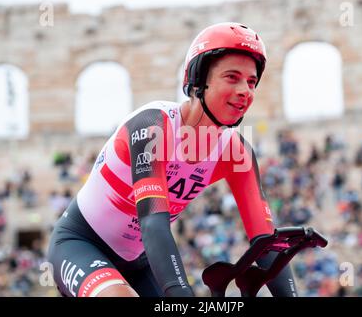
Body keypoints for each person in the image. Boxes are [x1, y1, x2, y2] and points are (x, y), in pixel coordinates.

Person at [47, 22, 298, 297]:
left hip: (141, 262)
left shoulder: (236, 151)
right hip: (81, 244)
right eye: (232, 77)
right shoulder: (154, 125)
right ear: (198, 80)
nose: (245, 91)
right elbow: (153, 222)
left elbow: (265, 243)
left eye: (251, 82)